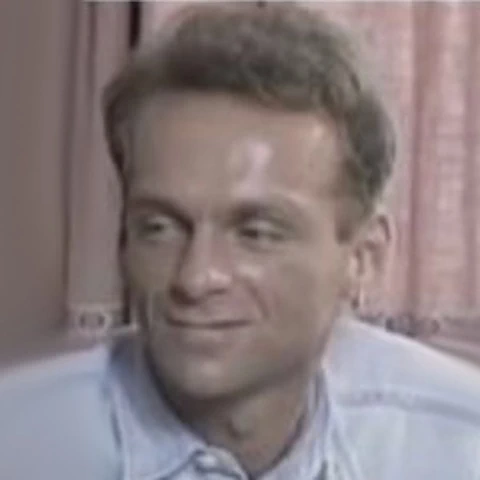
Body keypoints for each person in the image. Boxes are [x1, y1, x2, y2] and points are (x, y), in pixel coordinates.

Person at [1, 4, 480, 480]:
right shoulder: (17, 441)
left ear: (363, 259)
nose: (195, 278)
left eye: (256, 233)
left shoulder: (461, 444)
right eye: (160, 227)